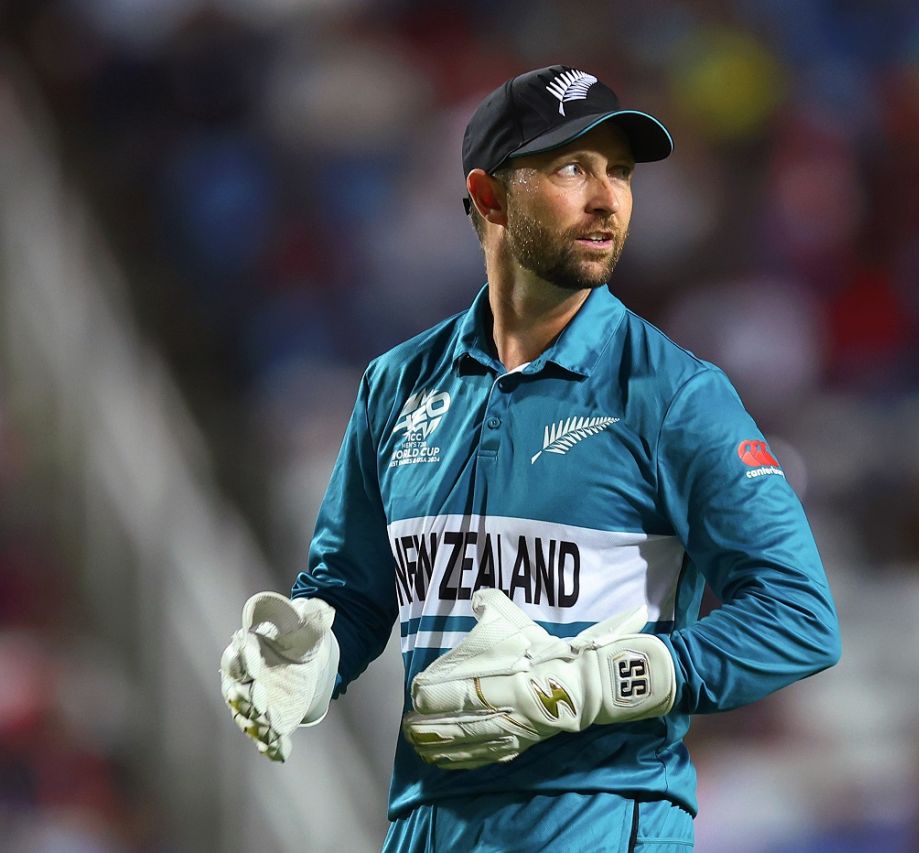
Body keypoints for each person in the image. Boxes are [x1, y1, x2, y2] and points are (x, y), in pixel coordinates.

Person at [219, 65, 841, 852]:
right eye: (572, 168)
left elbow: (798, 617)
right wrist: (309, 658)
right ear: (487, 197)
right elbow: (354, 593)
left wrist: (592, 682)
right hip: (427, 826)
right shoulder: (397, 385)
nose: (606, 197)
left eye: (619, 172)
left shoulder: (675, 393)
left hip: (601, 821)